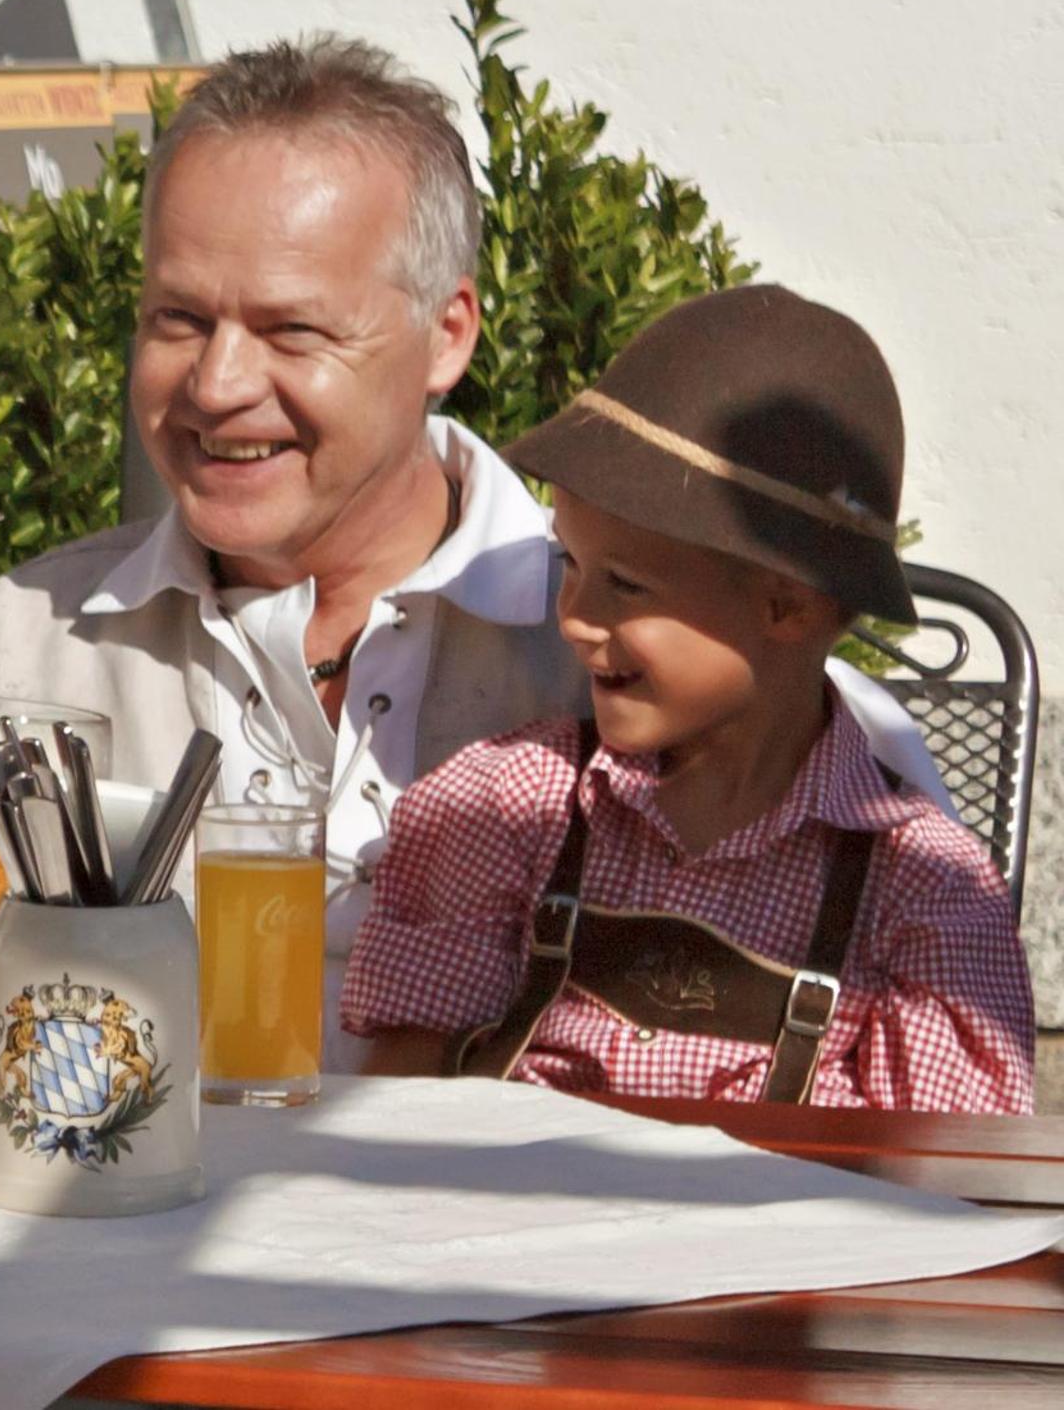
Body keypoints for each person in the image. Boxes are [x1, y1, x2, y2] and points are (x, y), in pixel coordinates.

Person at [0, 36, 948, 1071]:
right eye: (178, 318)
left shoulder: (681, 672)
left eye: (291, 329)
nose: (219, 385)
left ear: (447, 334)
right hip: (96, 1302)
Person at [341, 286, 1034, 1112]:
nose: (575, 619)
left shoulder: (921, 892)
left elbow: (943, 1194)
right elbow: (395, 1114)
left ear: (789, 607)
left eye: (625, 586)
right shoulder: (511, 807)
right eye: (572, 565)